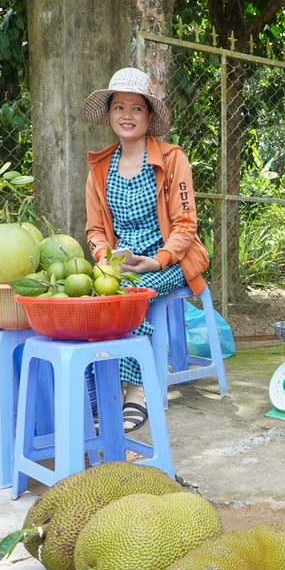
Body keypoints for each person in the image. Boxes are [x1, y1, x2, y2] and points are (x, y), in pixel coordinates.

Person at [83, 67, 209, 430]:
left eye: (136, 109)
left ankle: (135, 390)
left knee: (134, 297)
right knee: (89, 303)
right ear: (108, 115)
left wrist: (155, 261)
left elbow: (186, 225)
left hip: (171, 257)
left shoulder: (172, 160)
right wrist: (107, 261)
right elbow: (94, 230)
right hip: (122, 264)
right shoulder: (99, 169)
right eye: (119, 107)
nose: (127, 115)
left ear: (149, 116)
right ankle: (98, 394)